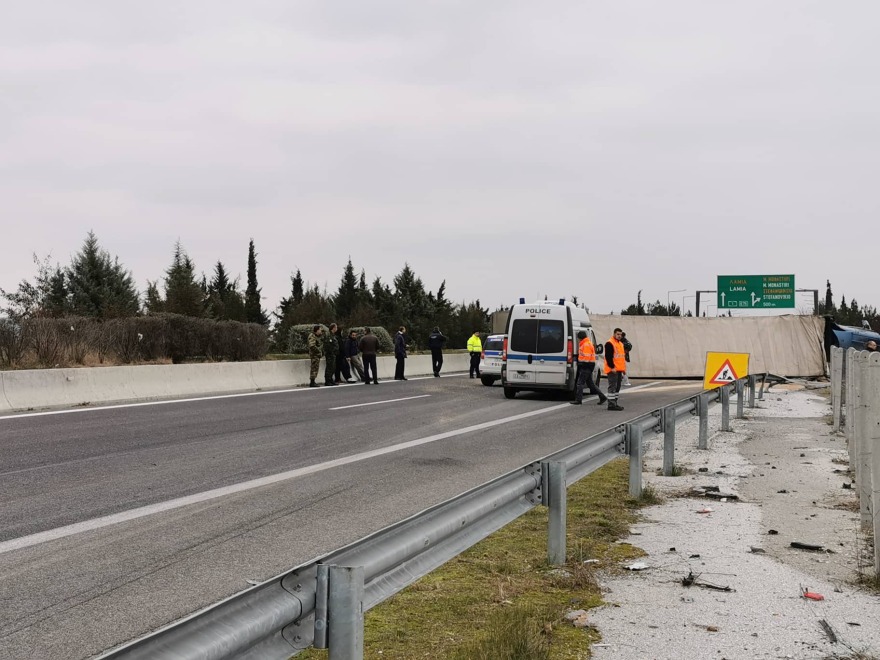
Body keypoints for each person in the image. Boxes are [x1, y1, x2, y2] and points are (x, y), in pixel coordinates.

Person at [569, 330, 608, 406]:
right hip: (588, 366)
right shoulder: (587, 343)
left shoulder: (585, 345)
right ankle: (602, 397)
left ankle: (578, 400)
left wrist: (580, 363)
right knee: (591, 384)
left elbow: (586, 358)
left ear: (580, 338)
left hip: (586, 366)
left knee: (580, 383)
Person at [603, 328, 627, 411]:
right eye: (618, 334)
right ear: (614, 334)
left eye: (620, 334)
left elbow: (621, 358)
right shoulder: (610, 343)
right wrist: (612, 367)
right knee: (612, 387)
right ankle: (611, 404)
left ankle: (615, 403)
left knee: (617, 387)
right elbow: (608, 357)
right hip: (613, 369)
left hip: (619, 369)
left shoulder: (620, 344)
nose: (619, 336)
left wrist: (623, 369)